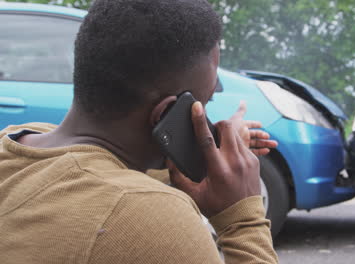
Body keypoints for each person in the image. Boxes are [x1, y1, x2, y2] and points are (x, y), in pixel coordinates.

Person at [0, 0, 279, 263]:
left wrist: (208, 153)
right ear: (167, 115)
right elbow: (122, 195)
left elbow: (99, 171)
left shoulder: (15, 142)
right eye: (204, 103)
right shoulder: (150, 219)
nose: (206, 119)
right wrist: (243, 220)